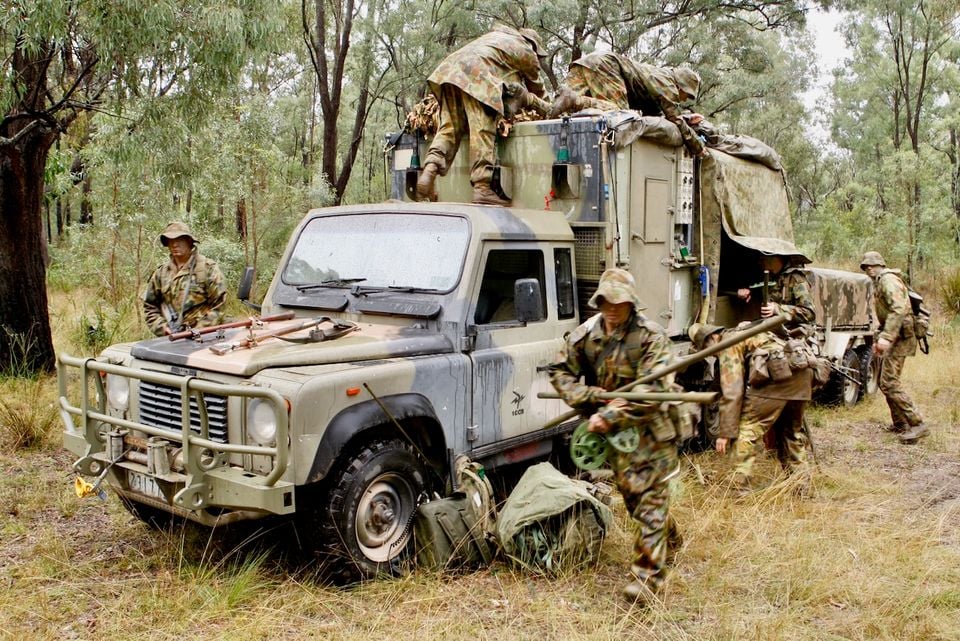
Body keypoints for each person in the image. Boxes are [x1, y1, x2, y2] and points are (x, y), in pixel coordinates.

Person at [548, 268, 681, 604]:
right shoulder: (585, 335)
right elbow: (559, 372)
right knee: (635, 500)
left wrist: (610, 415)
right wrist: (588, 396)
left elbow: (654, 391)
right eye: (606, 301)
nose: (612, 308)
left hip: (651, 432)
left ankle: (646, 580)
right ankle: (667, 535)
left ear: (631, 304)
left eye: (619, 302)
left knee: (650, 499)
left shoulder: (651, 337)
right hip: (617, 440)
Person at [416, 25, 549, 206]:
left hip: (449, 71)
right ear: (533, 45)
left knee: (449, 128)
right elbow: (538, 89)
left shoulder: (495, 37)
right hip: (478, 74)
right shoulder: (526, 50)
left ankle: (429, 171)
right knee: (483, 129)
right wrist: (547, 107)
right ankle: (482, 188)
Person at [688, 322, 812, 494]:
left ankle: (737, 488)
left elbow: (732, 392)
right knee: (790, 432)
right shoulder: (744, 331)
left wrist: (725, 433)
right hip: (802, 377)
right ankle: (801, 487)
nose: (711, 354)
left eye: (705, 348)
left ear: (712, 338)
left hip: (778, 378)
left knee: (745, 432)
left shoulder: (728, 343)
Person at [548, 51, 705, 157]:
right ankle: (575, 100)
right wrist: (698, 146)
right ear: (681, 86)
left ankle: (539, 104)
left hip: (587, 62)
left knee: (554, 113)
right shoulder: (668, 84)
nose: (684, 100)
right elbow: (674, 119)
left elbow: (657, 116)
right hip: (607, 65)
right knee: (620, 119)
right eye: (687, 95)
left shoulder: (658, 79)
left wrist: (687, 117)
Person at [859, 251, 928, 444]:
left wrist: (886, 337)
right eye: (865, 266)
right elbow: (887, 313)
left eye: (872, 264)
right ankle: (900, 423)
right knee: (885, 381)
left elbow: (899, 309)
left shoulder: (888, 280)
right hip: (895, 335)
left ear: (881, 264)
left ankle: (918, 423)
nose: (869, 268)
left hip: (900, 337)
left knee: (889, 382)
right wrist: (880, 336)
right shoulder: (880, 281)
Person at [143, 221, 226, 336]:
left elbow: (220, 306)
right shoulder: (161, 273)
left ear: (189, 241)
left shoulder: (207, 269)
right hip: (172, 337)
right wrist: (162, 327)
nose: (174, 244)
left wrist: (197, 330)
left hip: (204, 337)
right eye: (170, 240)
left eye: (179, 239)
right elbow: (150, 306)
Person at [736, 248, 815, 336]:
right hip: (772, 328)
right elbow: (761, 294)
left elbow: (808, 313)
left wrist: (777, 309)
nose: (760, 263)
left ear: (776, 258)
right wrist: (751, 325)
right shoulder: (770, 277)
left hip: (793, 332)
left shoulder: (796, 278)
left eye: (763, 259)